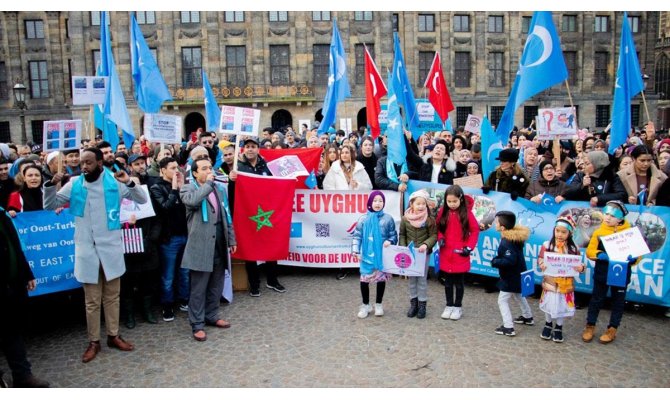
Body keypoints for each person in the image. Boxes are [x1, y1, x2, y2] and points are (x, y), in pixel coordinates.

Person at [43, 147, 147, 363]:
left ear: (100, 163)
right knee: (91, 301)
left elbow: (142, 199)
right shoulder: (74, 184)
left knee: (112, 297)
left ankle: (113, 335)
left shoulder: (115, 182)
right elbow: (50, 205)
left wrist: (128, 181)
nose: (83, 167)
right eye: (82, 163)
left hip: (111, 250)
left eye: (88, 163)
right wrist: (51, 185)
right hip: (87, 251)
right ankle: (94, 341)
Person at [180, 157, 237, 341]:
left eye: (210, 167)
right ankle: (197, 323)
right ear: (195, 173)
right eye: (204, 168)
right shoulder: (188, 188)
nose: (208, 171)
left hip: (219, 244)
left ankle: (212, 315)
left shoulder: (219, 190)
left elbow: (226, 215)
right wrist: (209, 184)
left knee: (216, 284)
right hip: (200, 246)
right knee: (199, 287)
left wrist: (231, 239)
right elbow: (193, 202)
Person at [228, 137, 286, 296]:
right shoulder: (238, 167)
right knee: (249, 248)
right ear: (243, 149)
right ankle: (254, 283)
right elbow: (231, 193)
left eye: (253, 146)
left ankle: (272, 280)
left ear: (258, 149)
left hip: (267, 213)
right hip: (247, 214)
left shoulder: (267, 166)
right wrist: (231, 180)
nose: (250, 149)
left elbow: (276, 186)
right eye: (247, 146)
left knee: (271, 245)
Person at [0, 211, 50, 388]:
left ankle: (22, 376)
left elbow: (14, 246)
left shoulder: (2, 214)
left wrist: (27, 273)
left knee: (12, 331)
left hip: (11, 286)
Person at [582, 201, 640, 344]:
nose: (607, 217)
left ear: (620, 218)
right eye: (606, 214)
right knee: (596, 299)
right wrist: (599, 254)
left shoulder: (629, 233)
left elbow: (639, 255)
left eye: (612, 215)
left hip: (621, 273)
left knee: (618, 302)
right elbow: (590, 251)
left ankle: (612, 328)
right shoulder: (599, 232)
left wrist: (633, 259)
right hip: (602, 272)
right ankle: (590, 326)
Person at [150, 157, 190, 321]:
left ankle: (184, 299)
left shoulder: (183, 186)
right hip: (169, 238)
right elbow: (165, 207)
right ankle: (167, 305)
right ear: (163, 170)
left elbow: (189, 206)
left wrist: (182, 190)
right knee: (168, 275)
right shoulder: (156, 187)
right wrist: (174, 190)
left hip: (185, 234)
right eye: (172, 168)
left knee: (185, 272)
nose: (176, 171)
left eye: (177, 168)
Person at [537, 216, 585, 343]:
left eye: (563, 232)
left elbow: (580, 263)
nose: (560, 234)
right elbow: (541, 258)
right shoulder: (547, 245)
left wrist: (581, 268)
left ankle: (559, 327)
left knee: (561, 306)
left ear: (569, 233)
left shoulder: (574, 248)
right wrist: (542, 264)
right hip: (550, 283)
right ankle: (548, 323)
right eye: (557, 231)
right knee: (549, 304)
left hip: (565, 284)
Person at [436, 185, 479, 321]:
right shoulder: (443, 211)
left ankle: (457, 306)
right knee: (447, 282)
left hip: (460, 253)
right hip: (446, 252)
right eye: (449, 202)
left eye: (454, 201)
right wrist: (440, 238)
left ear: (460, 199)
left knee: (459, 283)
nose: (452, 204)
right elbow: (438, 228)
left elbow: (475, 230)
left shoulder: (466, 213)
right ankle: (449, 305)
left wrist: (469, 247)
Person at [351, 190, 397, 318]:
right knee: (364, 280)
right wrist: (355, 250)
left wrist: (390, 241)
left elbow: (393, 235)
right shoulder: (363, 219)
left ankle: (378, 304)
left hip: (381, 256)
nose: (378, 203)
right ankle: (365, 305)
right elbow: (357, 236)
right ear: (370, 202)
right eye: (375, 201)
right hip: (367, 255)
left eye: (380, 201)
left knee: (380, 280)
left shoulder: (388, 219)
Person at [490, 210, 533, 337]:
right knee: (518, 295)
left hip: (510, 277)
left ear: (502, 227)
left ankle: (508, 327)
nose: (494, 223)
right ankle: (528, 316)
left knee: (502, 300)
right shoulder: (514, 238)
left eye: (496, 222)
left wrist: (495, 261)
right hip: (518, 274)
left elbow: (510, 260)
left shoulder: (506, 241)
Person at [399, 189, 437, 319]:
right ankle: (413, 304)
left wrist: (426, 244)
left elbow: (433, 236)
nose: (421, 206)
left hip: (423, 254)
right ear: (411, 205)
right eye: (418, 204)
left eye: (423, 204)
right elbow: (402, 234)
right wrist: (403, 248)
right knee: (411, 280)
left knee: (422, 279)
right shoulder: (405, 219)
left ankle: (422, 305)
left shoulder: (429, 220)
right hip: (409, 254)